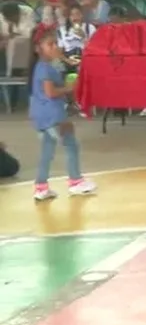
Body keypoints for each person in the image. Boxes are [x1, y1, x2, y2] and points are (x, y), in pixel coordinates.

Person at [30, 30, 97, 201]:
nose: (55, 47)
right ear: (38, 48)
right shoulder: (46, 68)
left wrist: (64, 60)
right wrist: (70, 87)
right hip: (53, 115)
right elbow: (50, 92)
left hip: (40, 116)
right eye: (50, 44)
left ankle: (41, 187)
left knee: (47, 150)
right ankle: (75, 181)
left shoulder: (41, 66)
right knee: (71, 145)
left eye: (55, 43)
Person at [57, 4, 95, 74]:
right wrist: (68, 61)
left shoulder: (90, 28)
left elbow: (94, 50)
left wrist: (84, 37)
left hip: (85, 59)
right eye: (72, 15)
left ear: (82, 15)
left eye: (77, 14)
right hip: (69, 61)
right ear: (69, 17)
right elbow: (59, 53)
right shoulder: (62, 30)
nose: (75, 17)